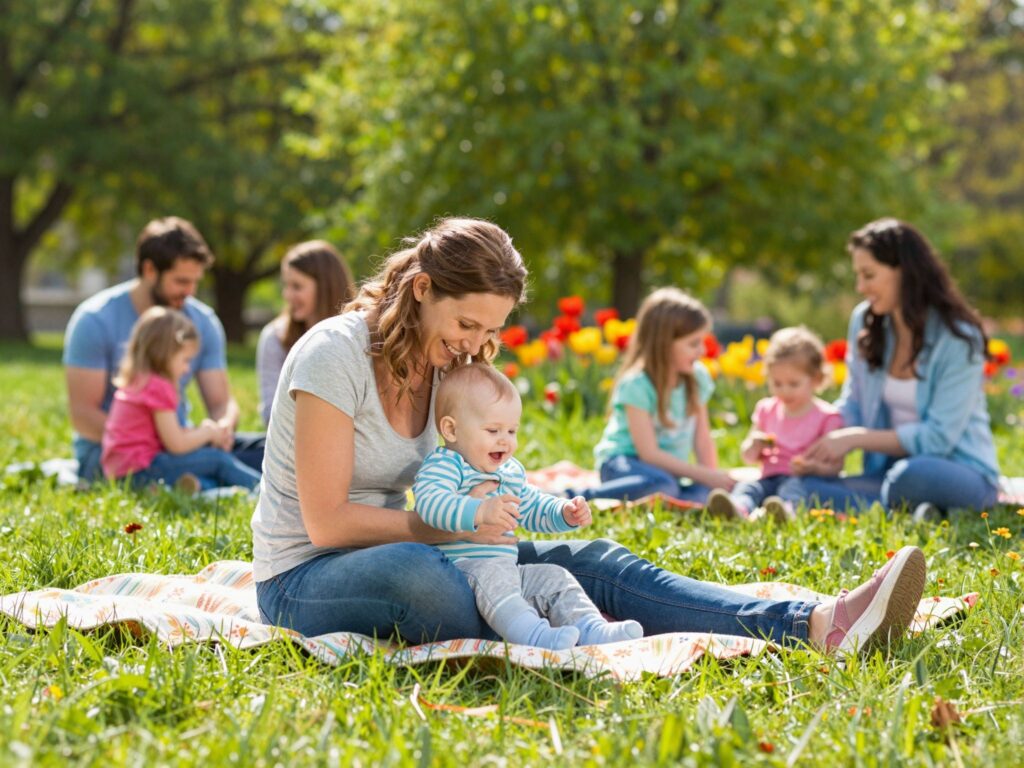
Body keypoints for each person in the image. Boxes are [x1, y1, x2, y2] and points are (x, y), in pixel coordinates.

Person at [251, 217, 926, 656]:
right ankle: (556, 626)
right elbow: (328, 521)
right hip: (305, 576)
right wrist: (456, 530)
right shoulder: (333, 354)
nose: (476, 348)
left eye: (491, 332)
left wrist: (518, 507)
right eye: (466, 325)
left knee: (590, 557)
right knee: (429, 580)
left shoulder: (448, 364)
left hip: (441, 542)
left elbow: (475, 474)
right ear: (421, 289)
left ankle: (813, 622)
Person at [413, 363, 643, 649]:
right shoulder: (446, 464)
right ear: (451, 429)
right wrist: (479, 511)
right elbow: (430, 503)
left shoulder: (509, 471)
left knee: (554, 577)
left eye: (512, 431)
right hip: (461, 572)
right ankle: (536, 637)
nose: (505, 440)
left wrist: (562, 513)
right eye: (493, 429)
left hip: (506, 570)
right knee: (496, 578)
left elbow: (532, 506)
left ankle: (592, 629)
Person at [795, 218, 1000, 518]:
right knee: (805, 484)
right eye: (858, 276)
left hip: (958, 470)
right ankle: (913, 511)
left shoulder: (957, 337)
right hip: (888, 473)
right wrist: (821, 444)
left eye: (869, 275)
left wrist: (854, 438)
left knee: (909, 476)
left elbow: (938, 439)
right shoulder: (865, 322)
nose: (860, 287)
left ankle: (883, 507)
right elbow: (853, 403)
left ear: (904, 273)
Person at [64, 216, 265, 482]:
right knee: (207, 473)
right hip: (114, 452)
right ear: (150, 270)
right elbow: (83, 416)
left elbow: (220, 402)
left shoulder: (202, 322)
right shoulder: (95, 319)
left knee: (273, 452)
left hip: (182, 439)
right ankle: (213, 485)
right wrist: (168, 441)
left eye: (195, 282)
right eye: (181, 282)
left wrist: (221, 429)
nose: (190, 292)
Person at [577, 287, 735, 505]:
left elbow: (703, 440)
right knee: (662, 486)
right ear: (663, 344)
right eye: (693, 343)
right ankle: (576, 498)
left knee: (703, 492)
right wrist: (701, 474)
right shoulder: (637, 384)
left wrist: (712, 480)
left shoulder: (697, 377)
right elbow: (648, 453)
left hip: (668, 473)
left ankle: (675, 501)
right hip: (624, 464)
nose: (702, 351)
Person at [101, 307, 262, 492]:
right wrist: (208, 432)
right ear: (163, 353)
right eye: (185, 360)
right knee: (218, 460)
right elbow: (176, 445)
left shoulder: (138, 380)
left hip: (121, 474)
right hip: (142, 470)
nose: (187, 369)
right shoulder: (157, 386)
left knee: (203, 470)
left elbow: (167, 435)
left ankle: (191, 487)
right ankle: (265, 494)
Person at [705, 327, 844, 521]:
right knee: (748, 487)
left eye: (794, 384)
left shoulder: (827, 417)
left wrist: (813, 467)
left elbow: (836, 467)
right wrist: (754, 445)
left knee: (793, 490)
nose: (784, 391)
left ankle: (783, 514)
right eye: (777, 383)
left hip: (803, 478)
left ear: (816, 379)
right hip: (767, 476)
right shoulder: (766, 410)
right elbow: (748, 457)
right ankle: (738, 510)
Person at [256, 240, 355, 425]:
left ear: (325, 287)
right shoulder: (275, 337)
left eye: (297, 286)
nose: (286, 295)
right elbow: (271, 414)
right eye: (286, 285)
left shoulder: (360, 337)